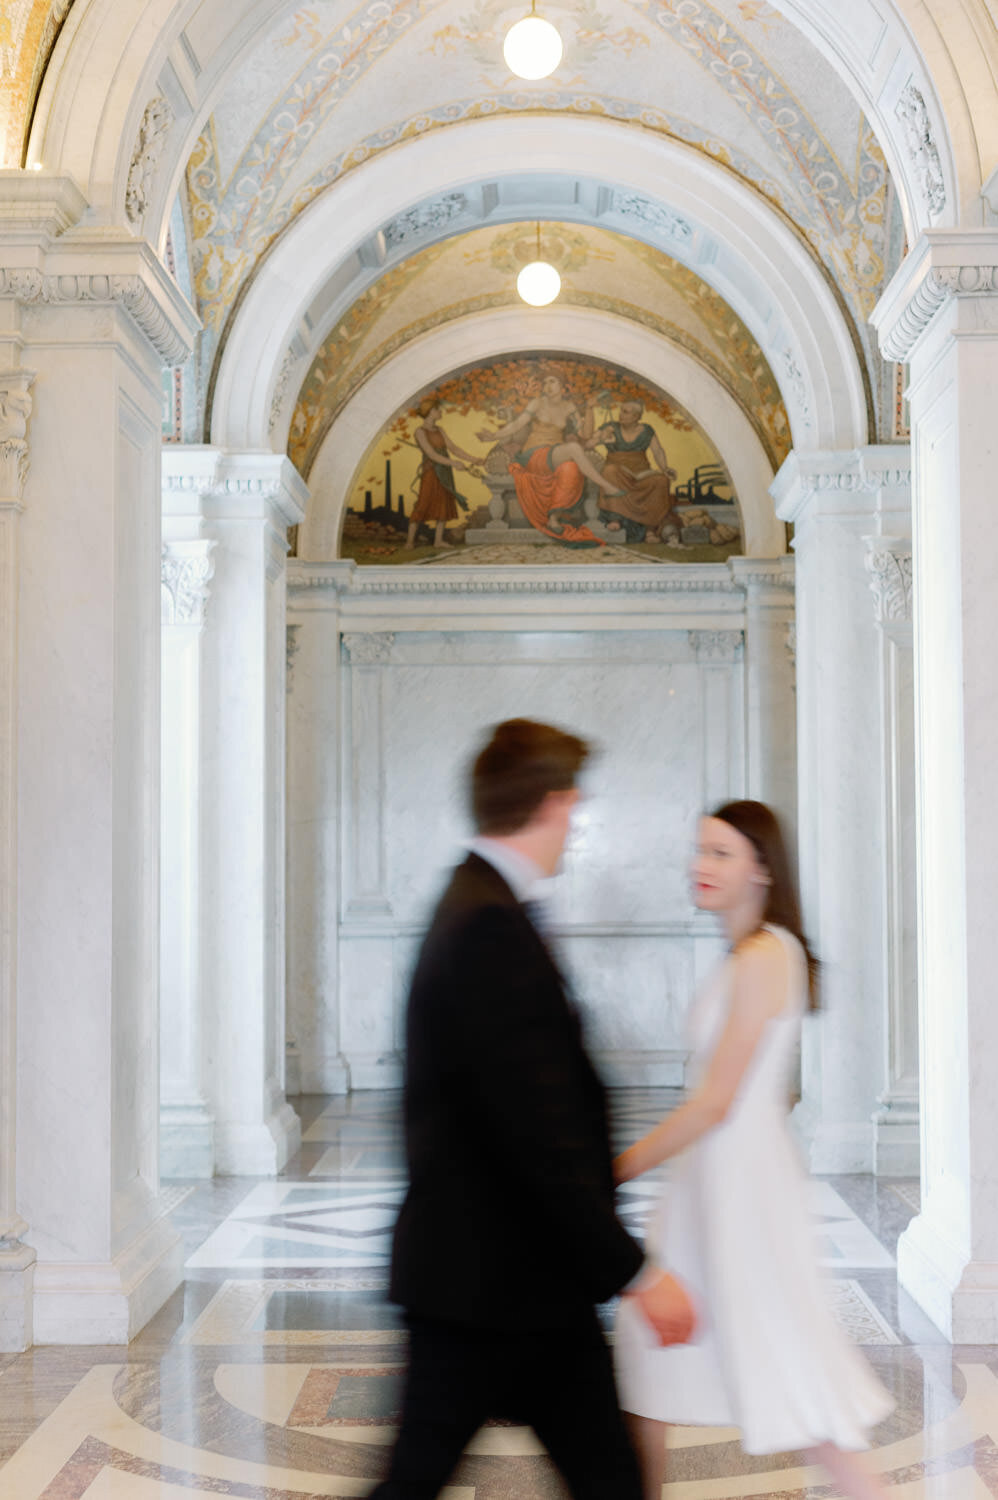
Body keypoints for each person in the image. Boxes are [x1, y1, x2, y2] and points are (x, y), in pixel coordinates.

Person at [370, 718, 649, 1500]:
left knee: (607, 1482)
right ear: (554, 805)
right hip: (490, 1284)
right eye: (575, 809)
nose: (576, 827)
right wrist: (631, 1267)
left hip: (509, 1282)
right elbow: (537, 1131)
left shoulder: (479, 902)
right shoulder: (487, 922)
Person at [614, 801, 893, 1500]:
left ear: (762, 869)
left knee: (791, 1367)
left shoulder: (768, 953)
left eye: (720, 853)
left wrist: (614, 1166)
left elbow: (716, 1101)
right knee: (646, 1356)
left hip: (738, 1184)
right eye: (699, 851)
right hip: (708, 1179)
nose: (700, 866)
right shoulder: (750, 953)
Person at [476, 375, 623, 544]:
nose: (547, 385)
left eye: (552, 381)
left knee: (571, 469)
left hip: (556, 457)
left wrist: (589, 409)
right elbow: (517, 425)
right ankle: (606, 485)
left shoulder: (569, 407)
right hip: (534, 455)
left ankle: (554, 518)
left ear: (563, 386)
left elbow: (586, 434)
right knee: (574, 449)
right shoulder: (537, 403)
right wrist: (494, 436)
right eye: (545, 382)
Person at [593, 400, 685, 543]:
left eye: (626, 412)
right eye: (621, 410)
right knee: (609, 471)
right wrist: (602, 437)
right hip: (619, 472)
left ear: (636, 416)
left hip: (642, 473)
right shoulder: (611, 427)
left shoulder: (647, 430)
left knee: (661, 480)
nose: (621, 414)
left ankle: (649, 530)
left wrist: (665, 468)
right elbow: (588, 443)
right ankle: (615, 518)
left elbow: (658, 451)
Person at [405, 401, 479, 550]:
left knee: (444, 501)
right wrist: (453, 463)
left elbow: (454, 448)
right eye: (437, 409)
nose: (440, 412)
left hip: (444, 471)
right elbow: (431, 454)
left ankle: (438, 541)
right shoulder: (420, 431)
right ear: (430, 411)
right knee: (423, 502)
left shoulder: (440, 430)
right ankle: (409, 542)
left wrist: (474, 459)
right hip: (431, 470)